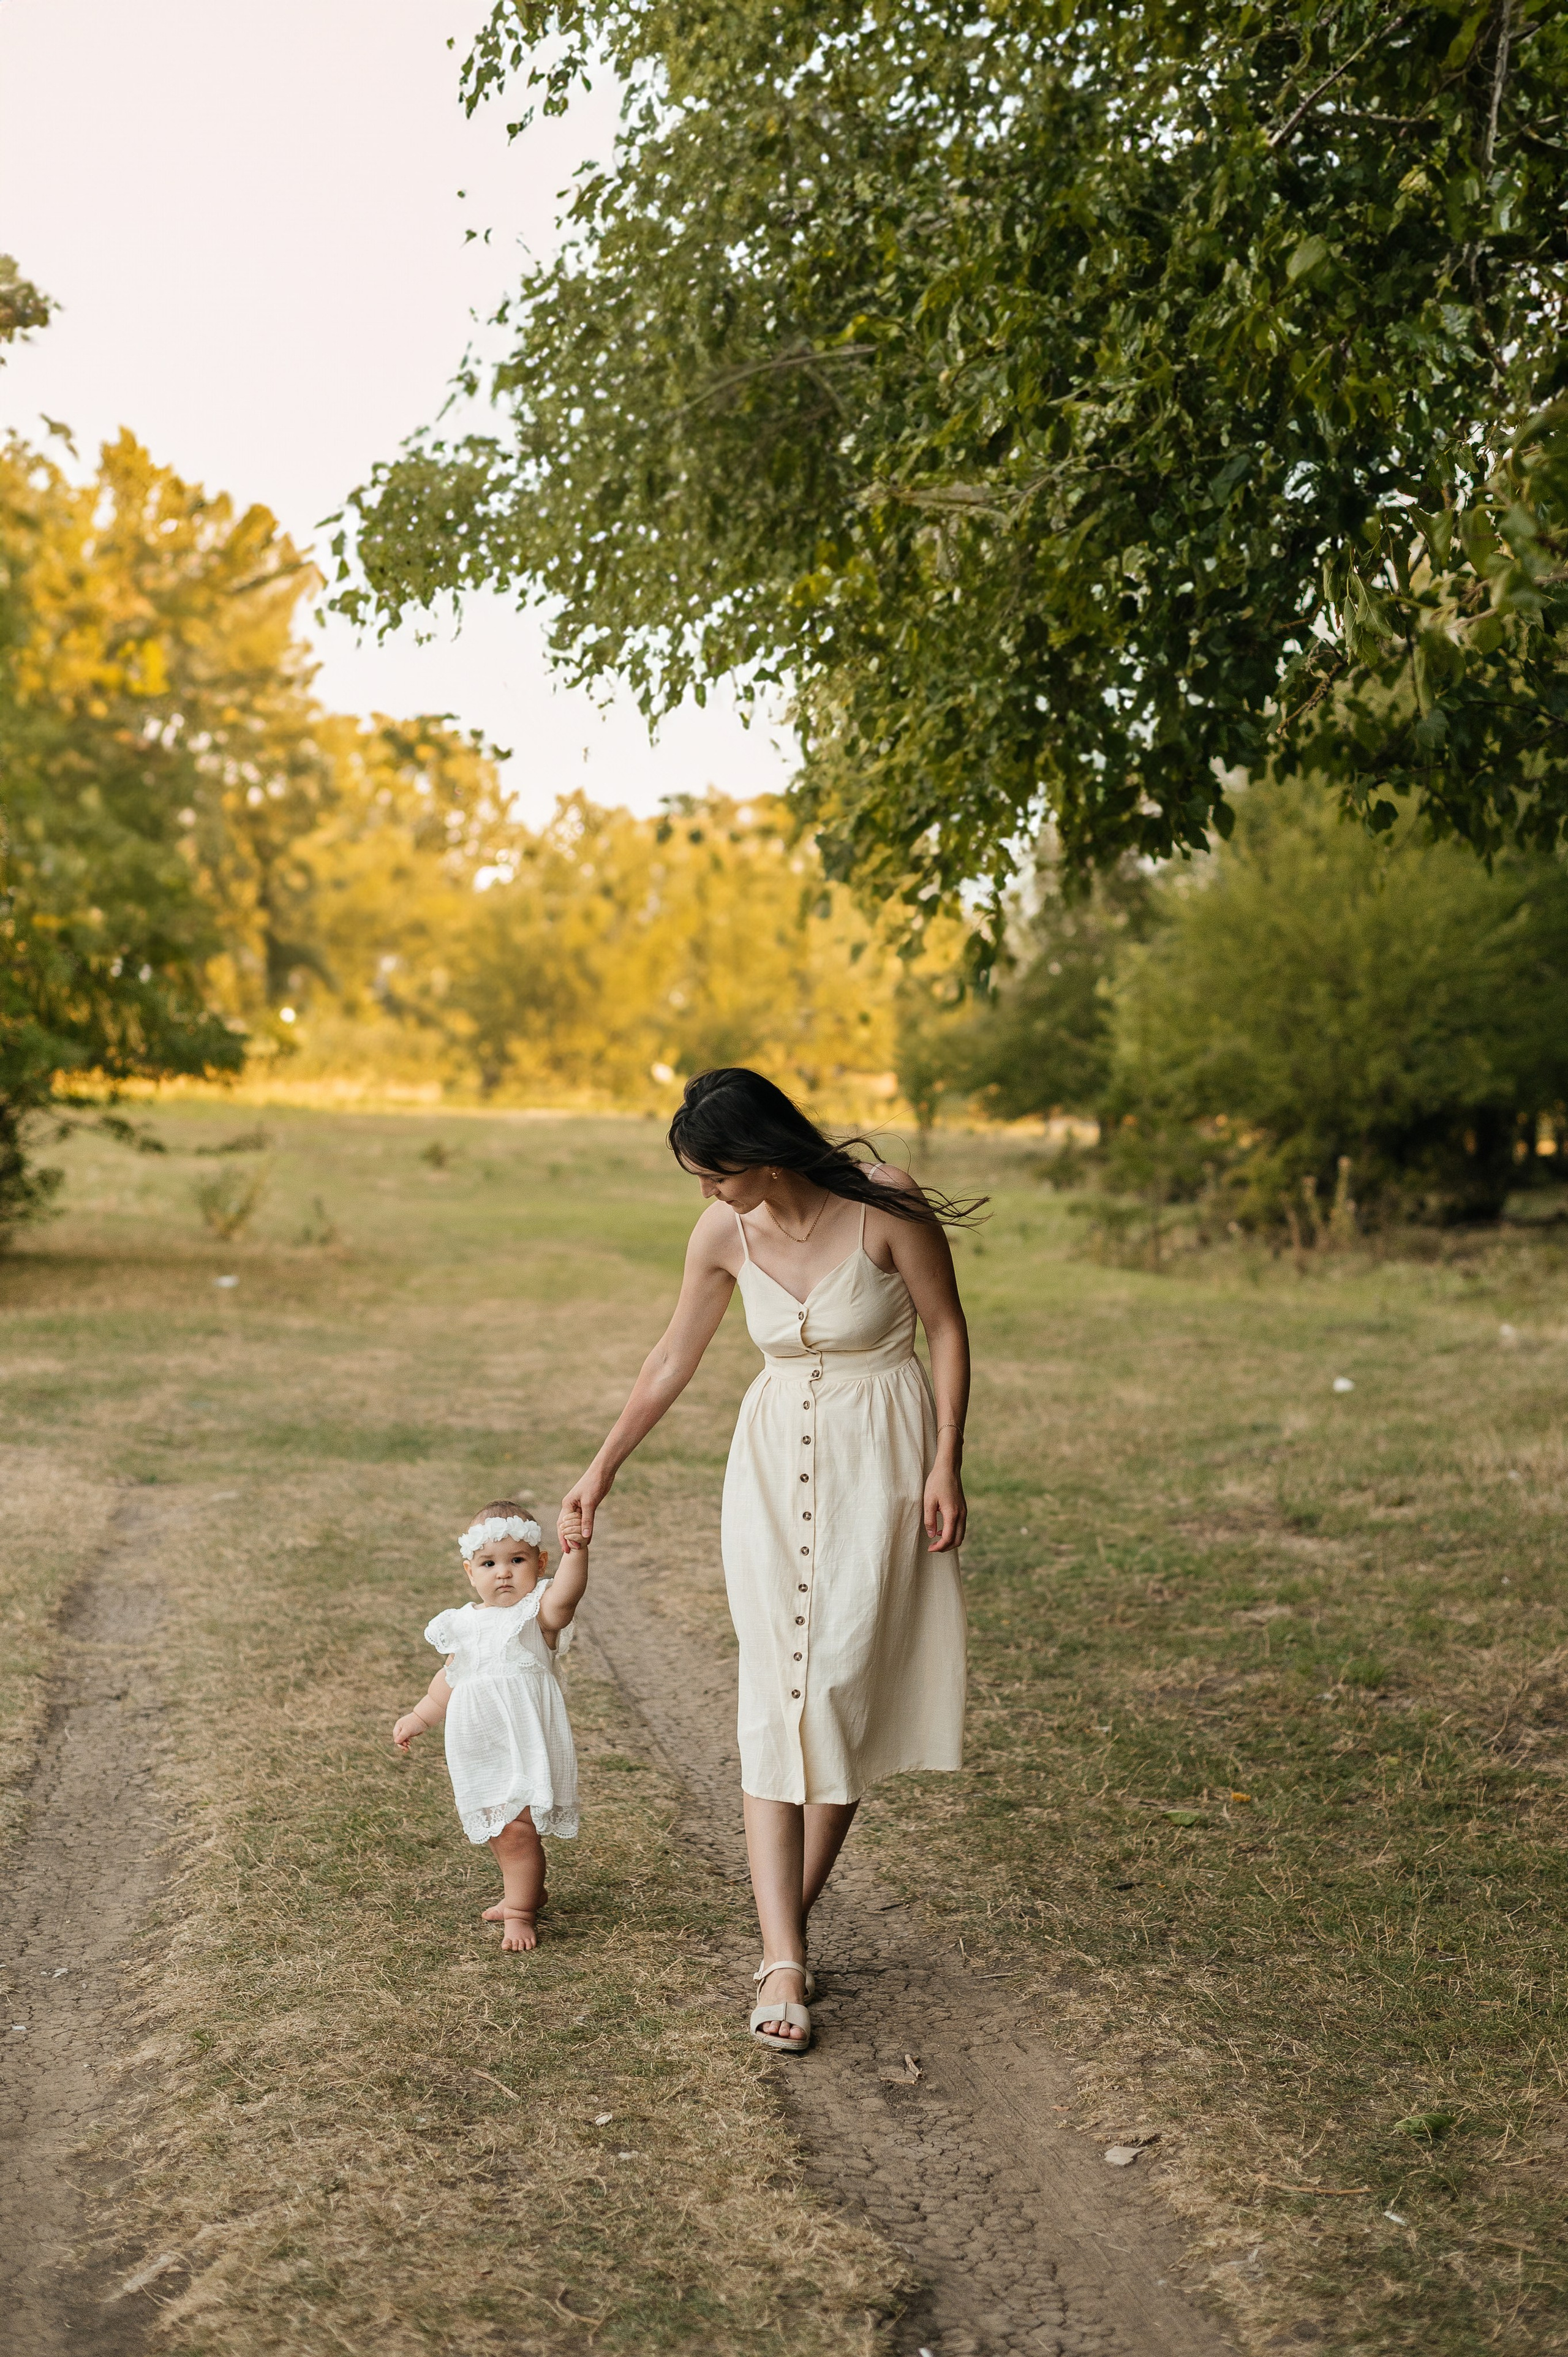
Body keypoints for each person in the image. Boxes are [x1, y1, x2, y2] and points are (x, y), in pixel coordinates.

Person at [560, 1068, 977, 2052]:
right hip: (769, 1465)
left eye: (713, 1173)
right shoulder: (722, 1234)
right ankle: (783, 1953)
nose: (704, 1193)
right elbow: (672, 1356)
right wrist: (600, 1469)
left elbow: (949, 1328)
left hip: (880, 1456)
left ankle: (781, 1924)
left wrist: (947, 1461)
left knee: (835, 1688)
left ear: (759, 1155)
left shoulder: (885, 1201)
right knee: (774, 1693)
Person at [393, 1500, 587, 1952]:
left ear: (539, 1565)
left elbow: (567, 1596)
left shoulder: (537, 1616)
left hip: (524, 1742)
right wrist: (420, 1716)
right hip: (479, 1747)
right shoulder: (462, 1623)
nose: (503, 1573)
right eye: (489, 1563)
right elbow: (450, 1678)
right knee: (501, 1829)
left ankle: (520, 1910)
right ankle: (528, 1887)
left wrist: (577, 1552)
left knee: (518, 1829)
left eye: (516, 1561)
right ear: (469, 1571)